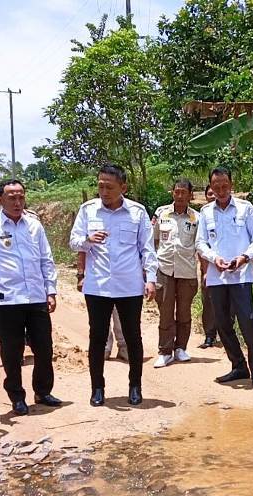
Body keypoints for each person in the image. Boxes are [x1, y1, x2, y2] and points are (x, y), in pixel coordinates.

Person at [70, 163, 158, 407]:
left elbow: (147, 249)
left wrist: (150, 278)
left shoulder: (137, 213)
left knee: (133, 337)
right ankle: (97, 388)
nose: (104, 191)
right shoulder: (88, 211)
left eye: (109, 187)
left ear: (123, 187)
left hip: (129, 285)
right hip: (97, 286)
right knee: (97, 337)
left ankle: (135, 386)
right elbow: (74, 241)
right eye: (100, 186)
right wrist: (87, 240)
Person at [0, 179, 61, 416]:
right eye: (11, 197)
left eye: (21, 196)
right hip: (7, 299)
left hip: (35, 296)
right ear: (0, 200)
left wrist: (50, 290)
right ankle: (16, 396)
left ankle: (43, 391)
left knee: (43, 347)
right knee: (12, 351)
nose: (17, 201)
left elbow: (46, 259)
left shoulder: (34, 226)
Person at [195, 167, 253, 388]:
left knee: (248, 322)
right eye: (216, 186)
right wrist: (214, 259)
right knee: (223, 324)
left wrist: (244, 257)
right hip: (217, 278)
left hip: (242, 276)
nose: (221, 190)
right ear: (211, 187)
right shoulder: (206, 212)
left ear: (231, 185)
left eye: (225, 185)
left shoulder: (246, 209)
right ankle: (238, 366)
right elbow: (200, 243)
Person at [152, 178, 199, 368]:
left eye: (183, 192)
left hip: (187, 270)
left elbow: (200, 245)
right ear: (172, 193)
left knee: (184, 311)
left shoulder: (197, 218)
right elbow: (154, 240)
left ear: (190, 195)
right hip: (164, 269)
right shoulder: (162, 214)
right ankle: (165, 351)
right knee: (165, 310)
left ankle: (180, 348)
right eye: (176, 192)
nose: (180, 196)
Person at [76, 252, 128, 361]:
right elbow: (82, 251)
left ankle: (124, 347)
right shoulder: (93, 234)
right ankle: (105, 347)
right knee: (101, 318)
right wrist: (80, 275)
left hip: (122, 278)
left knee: (120, 315)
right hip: (98, 279)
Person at [198, 185, 219, 349]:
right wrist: (205, 272)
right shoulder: (202, 215)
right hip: (209, 267)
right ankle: (209, 336)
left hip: (230, 268)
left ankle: (226, 335)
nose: (213, 196)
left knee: (229, 305)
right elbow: (201, 247)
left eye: (214, 193)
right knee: (209, 304)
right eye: (209, 193)